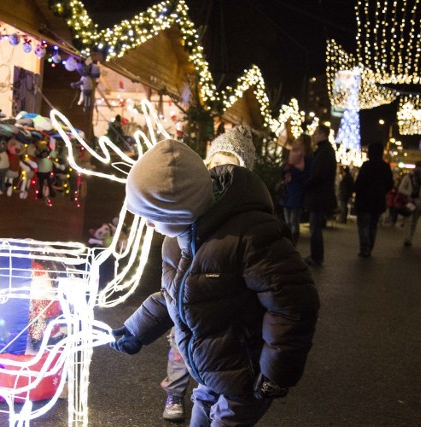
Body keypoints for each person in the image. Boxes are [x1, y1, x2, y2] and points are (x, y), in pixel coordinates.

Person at [111, 139, 319, 426]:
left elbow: (293, 305)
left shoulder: (251, 236)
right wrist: (137, 329)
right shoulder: (175, 241)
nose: (147, 225)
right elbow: (172, 295)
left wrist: (275, 374)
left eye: (152, 217)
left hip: (248, 375)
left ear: (180, 210)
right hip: (211, 369)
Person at [159, 125, 257, 422]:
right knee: (181, 352)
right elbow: (170, 276)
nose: (220, 173)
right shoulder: (194, 210)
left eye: (230, 166)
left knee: (220, 395)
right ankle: (175, 392)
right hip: (189, 314)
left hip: (227, 332)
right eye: (215, 164)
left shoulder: (251, 223)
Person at [303, 124, 337, 266]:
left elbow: (318, 175)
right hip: (320, 195)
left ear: (323, 134)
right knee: (315, 226)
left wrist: (306, 184)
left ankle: (316, 256)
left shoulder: (324, 152)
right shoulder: (325, 151)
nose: (314, 136)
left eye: (316, 133)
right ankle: (316, 255)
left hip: (318, 196)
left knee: (315, 227)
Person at [353, 142, 394, 258]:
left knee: (364, 225)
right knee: (373, 225)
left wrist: (357, 191)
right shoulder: (385, 166)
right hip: (378, 201)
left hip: (364, 201)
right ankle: (370, 246)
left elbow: (359, 183)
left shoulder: (367, 165)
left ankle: (364, 248)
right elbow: (390, 184)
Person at [279, 134, 313, 243]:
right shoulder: (292, 153)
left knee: (294, 220)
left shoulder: (307, 157)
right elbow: (284, 169)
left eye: (299, 140)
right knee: (287, 220)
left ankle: (292, 242)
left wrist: (291, 170)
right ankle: (287, 240)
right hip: (288, 191)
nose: (296, 141)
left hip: (297, 191)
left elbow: (305, 175)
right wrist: (285, 170)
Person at [397, 161, 421, 246]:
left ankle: (407, 238)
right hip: (419, 202)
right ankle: (410, 238)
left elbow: (400, 189)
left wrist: (409, 193)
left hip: (410, 201)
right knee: (414, 221)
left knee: (408, 220)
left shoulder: (408, 177)